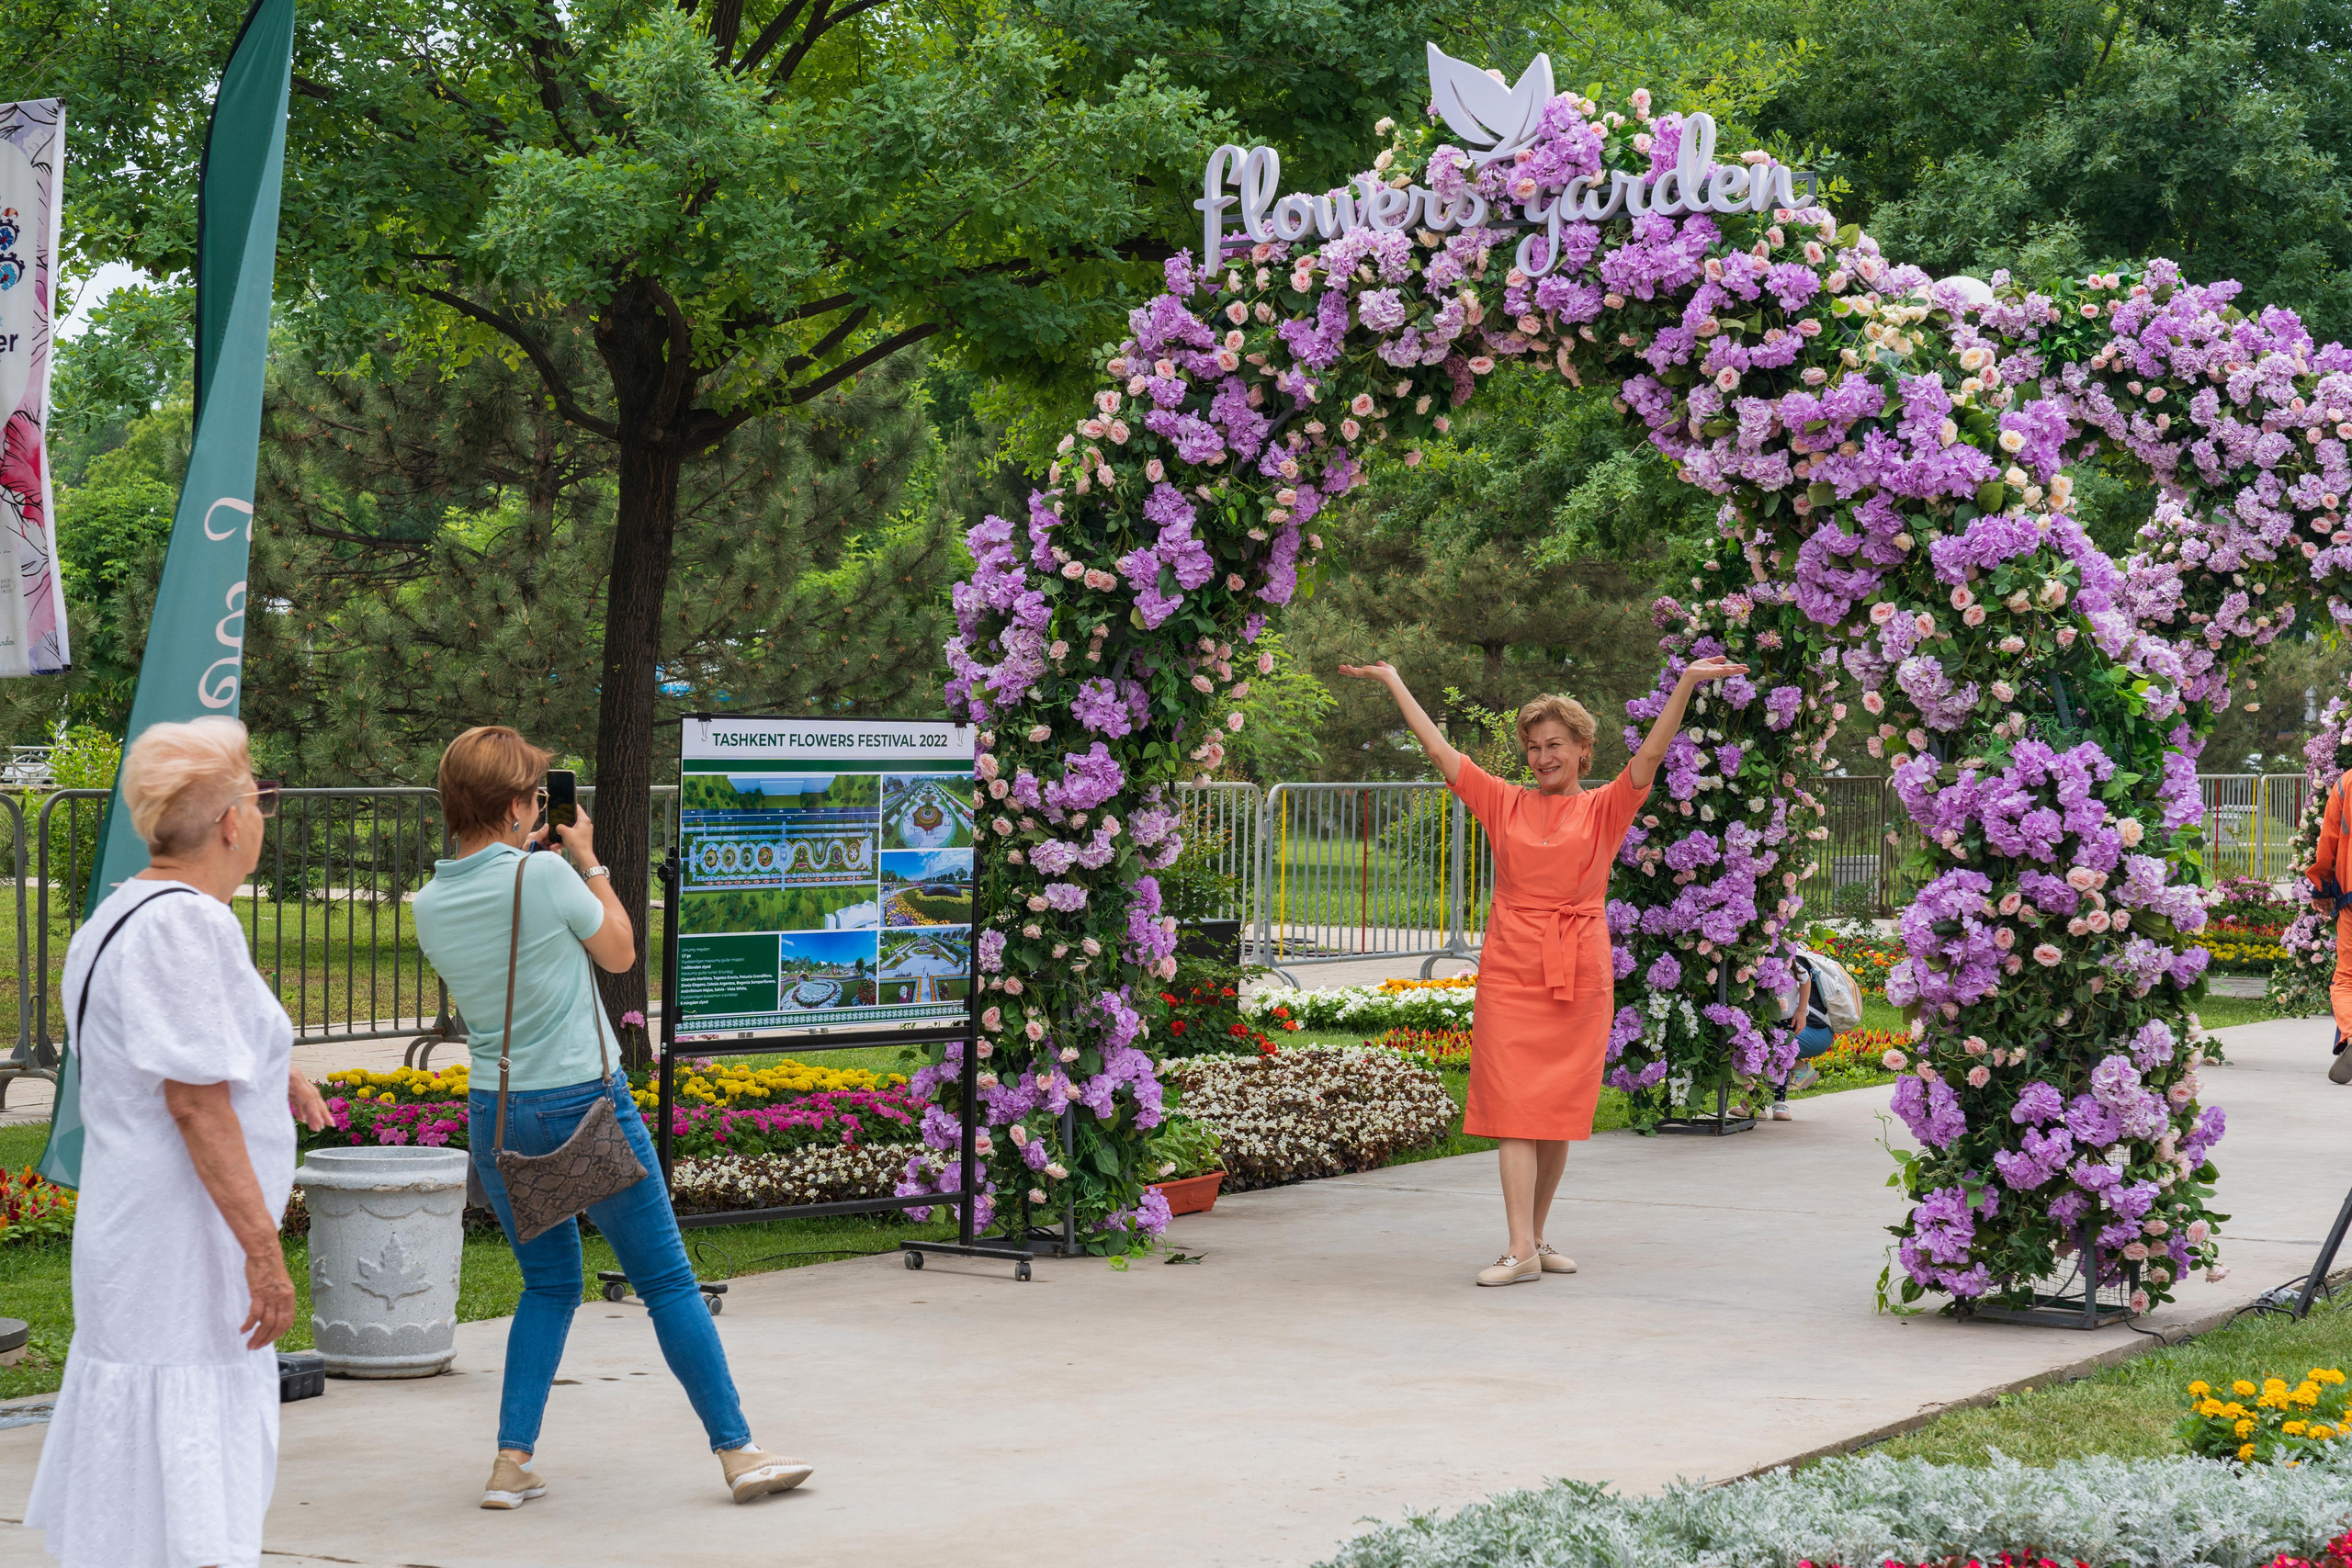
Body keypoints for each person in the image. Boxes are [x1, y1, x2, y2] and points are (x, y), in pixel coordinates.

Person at [411, 726, 811, 1506]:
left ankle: (508, 1463)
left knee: (549, 1286)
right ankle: (738, 1451)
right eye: (534, 793)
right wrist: (589, 860)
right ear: (519, 806)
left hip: (497, 1115)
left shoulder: (430, 903)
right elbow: (623, 954)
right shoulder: (548, 878)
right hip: (581, 1101)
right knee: (666, 1278)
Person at [24, 716, 330, 1568]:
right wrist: (264, 1253)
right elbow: (195, 1103)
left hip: (139, 1228)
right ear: (232, 820)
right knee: (186, 1435)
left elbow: (184, 1051)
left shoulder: (125, 914)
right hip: (180, 1242)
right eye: (259, 798)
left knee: (152, 1431)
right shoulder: (187, 926)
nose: (264, 814)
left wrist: (280, 1073)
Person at [1336, 658, 1746, 1285]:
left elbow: (1654, 752)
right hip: (1511, 968)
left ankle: (1534, 1237)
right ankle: (1519, 1245)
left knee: (1556, 1110)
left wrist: (1687, 682)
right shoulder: (1502, 801)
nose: (1542, 756)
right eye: (1532, 747)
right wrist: (1395, 679)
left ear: (1584, 750)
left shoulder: (1607, 808)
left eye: (1555, 745)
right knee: (1512, 1107)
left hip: (1578, 969)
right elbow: (1439, 748)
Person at [2302, 766, 2352, 1084]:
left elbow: (2329, 839)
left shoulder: (2346, 783)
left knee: (2346, 980)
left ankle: (2351, 1032)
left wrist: (2321, 887)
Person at [1766, 953, 1835, 1120]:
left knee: (1781, 1058)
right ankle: (1758, 1104)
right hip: (1766, 1018)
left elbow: (1805, 979)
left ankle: (1779, 1103)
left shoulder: (1788, 961)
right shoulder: (1759, 960)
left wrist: (1801, 1011)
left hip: (1786, 1019)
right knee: (1761, 1057)